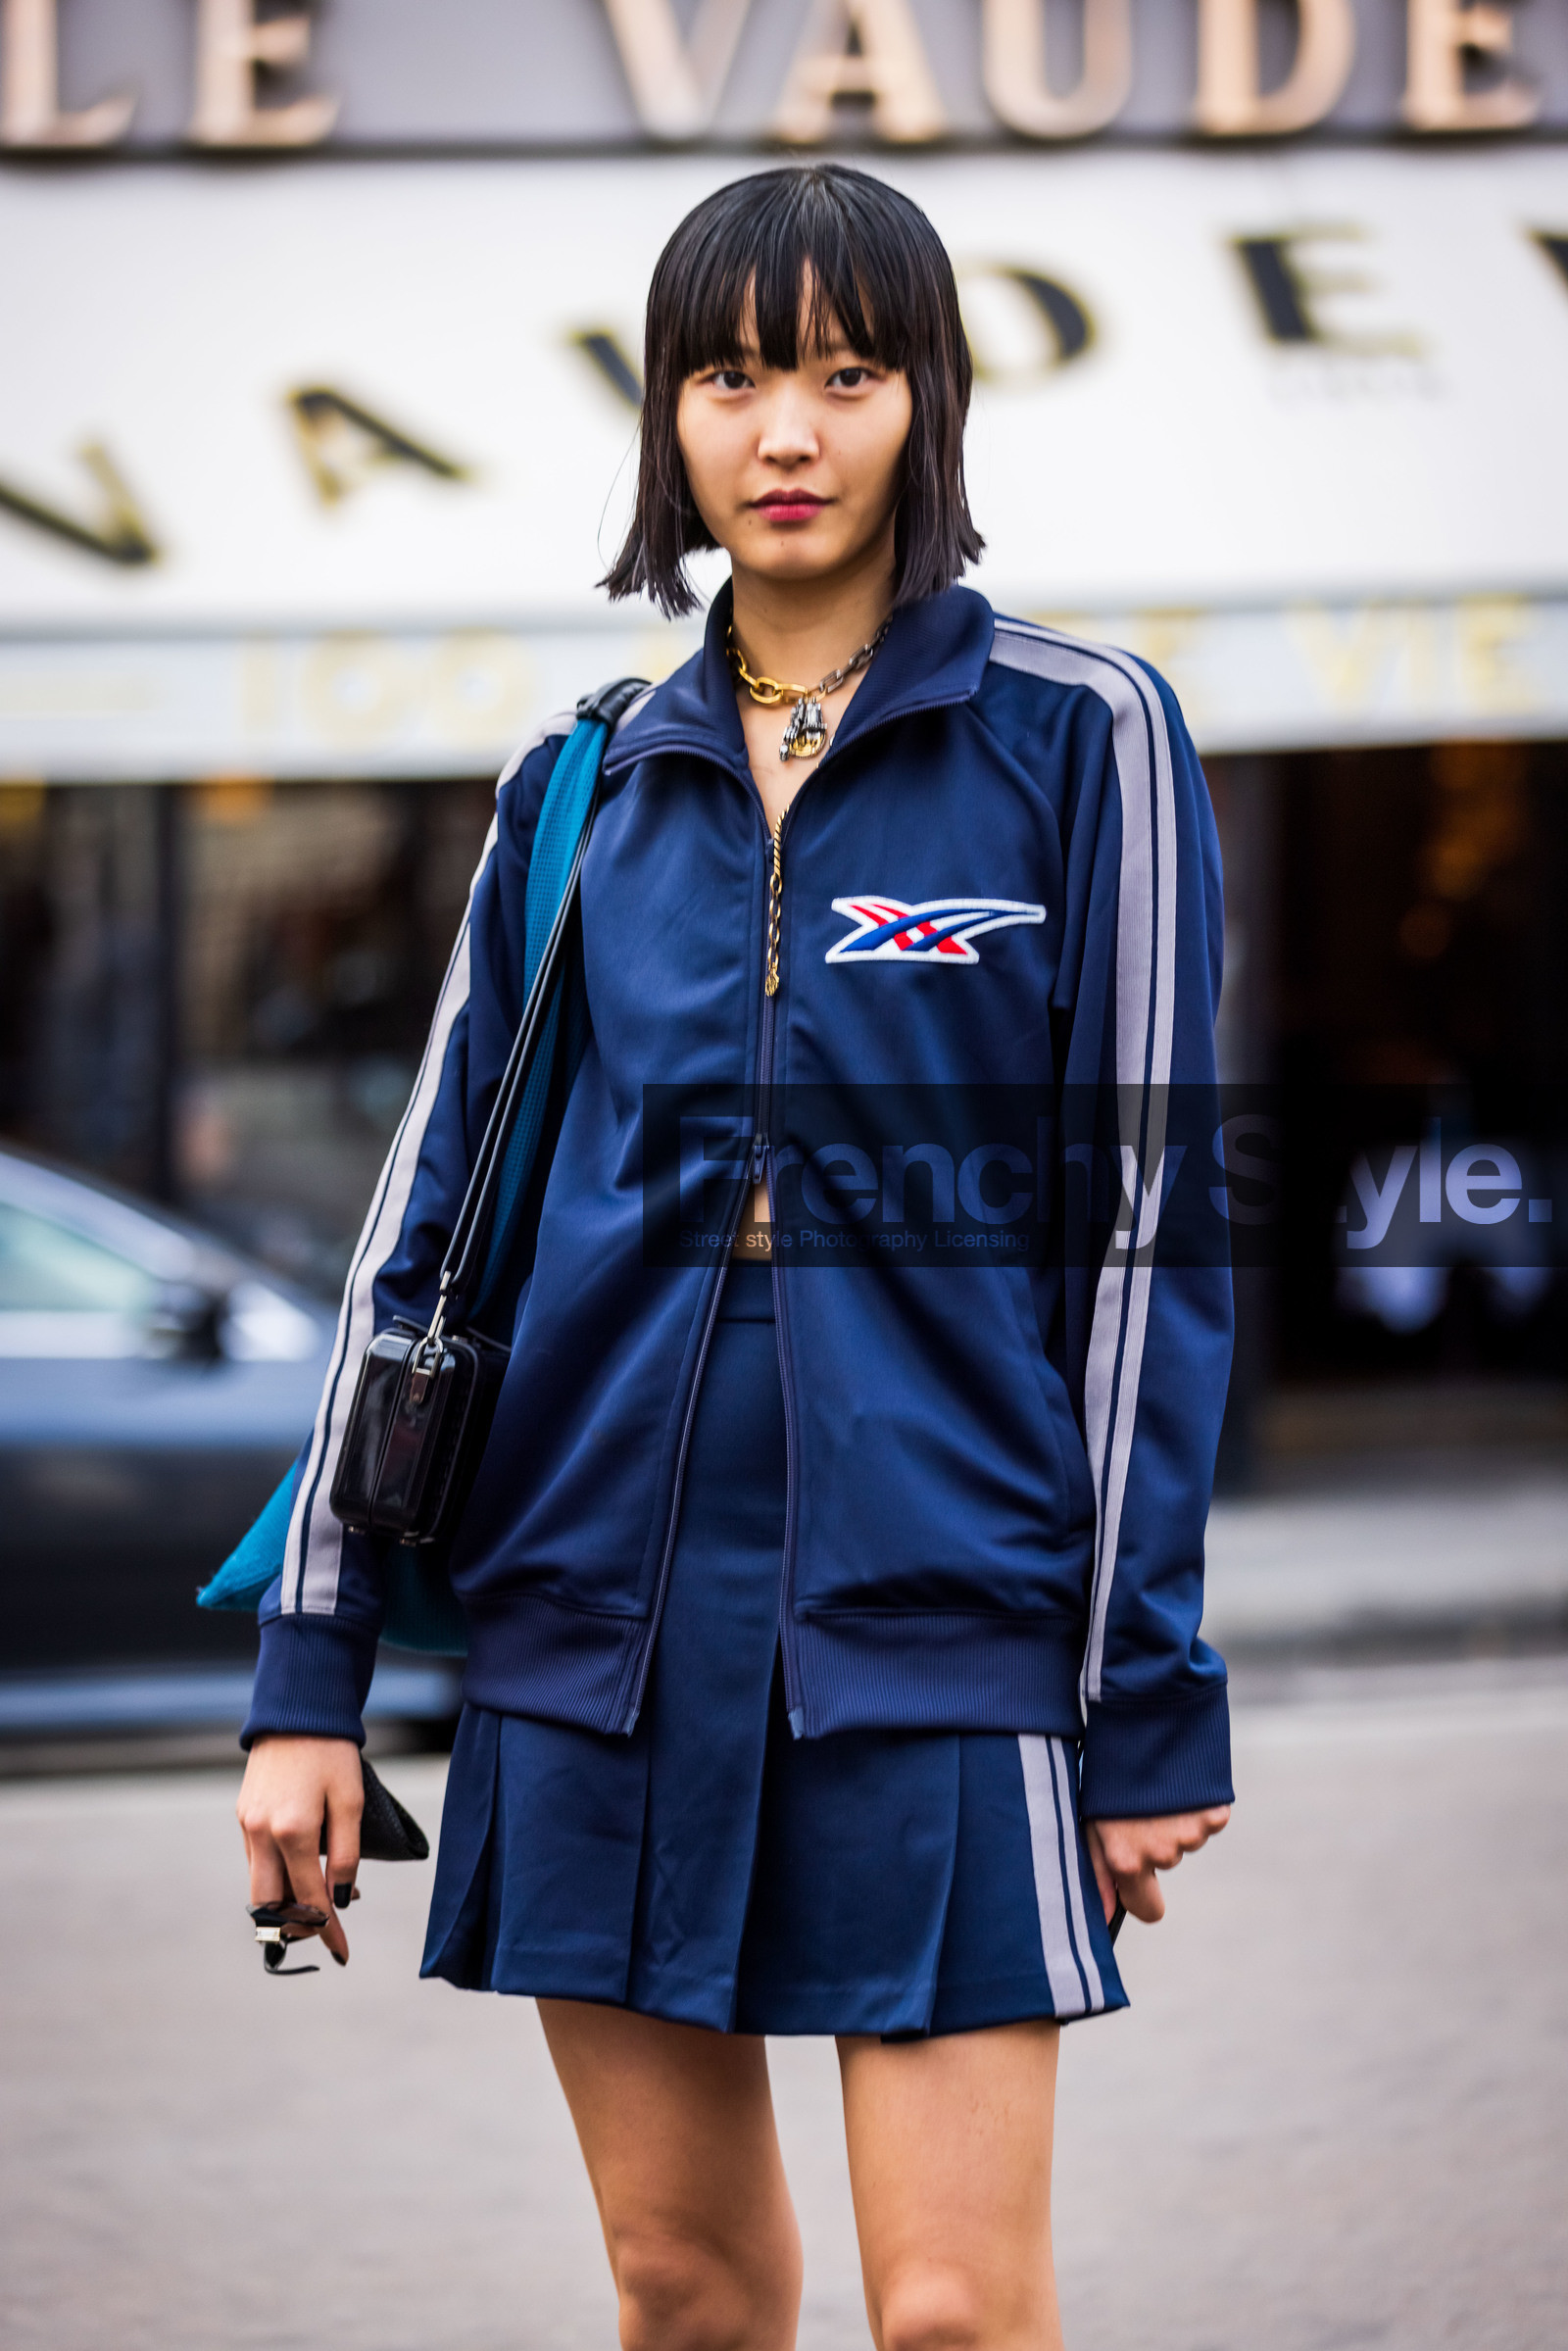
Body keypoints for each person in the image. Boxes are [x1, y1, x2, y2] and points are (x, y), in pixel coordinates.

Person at [236, 165, 1232, 2351]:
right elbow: (429, 1229)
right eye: (729, 378)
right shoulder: (582, 782)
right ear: (665, 420)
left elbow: (1147, 1246)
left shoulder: (1082, 734)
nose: (785, 432)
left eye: (846, 375)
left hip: (943, 1609)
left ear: (929, 401)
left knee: (954, 2308)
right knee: (681, 2293)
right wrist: (311, 1679)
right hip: (593, 1615)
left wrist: (1140, 1690)